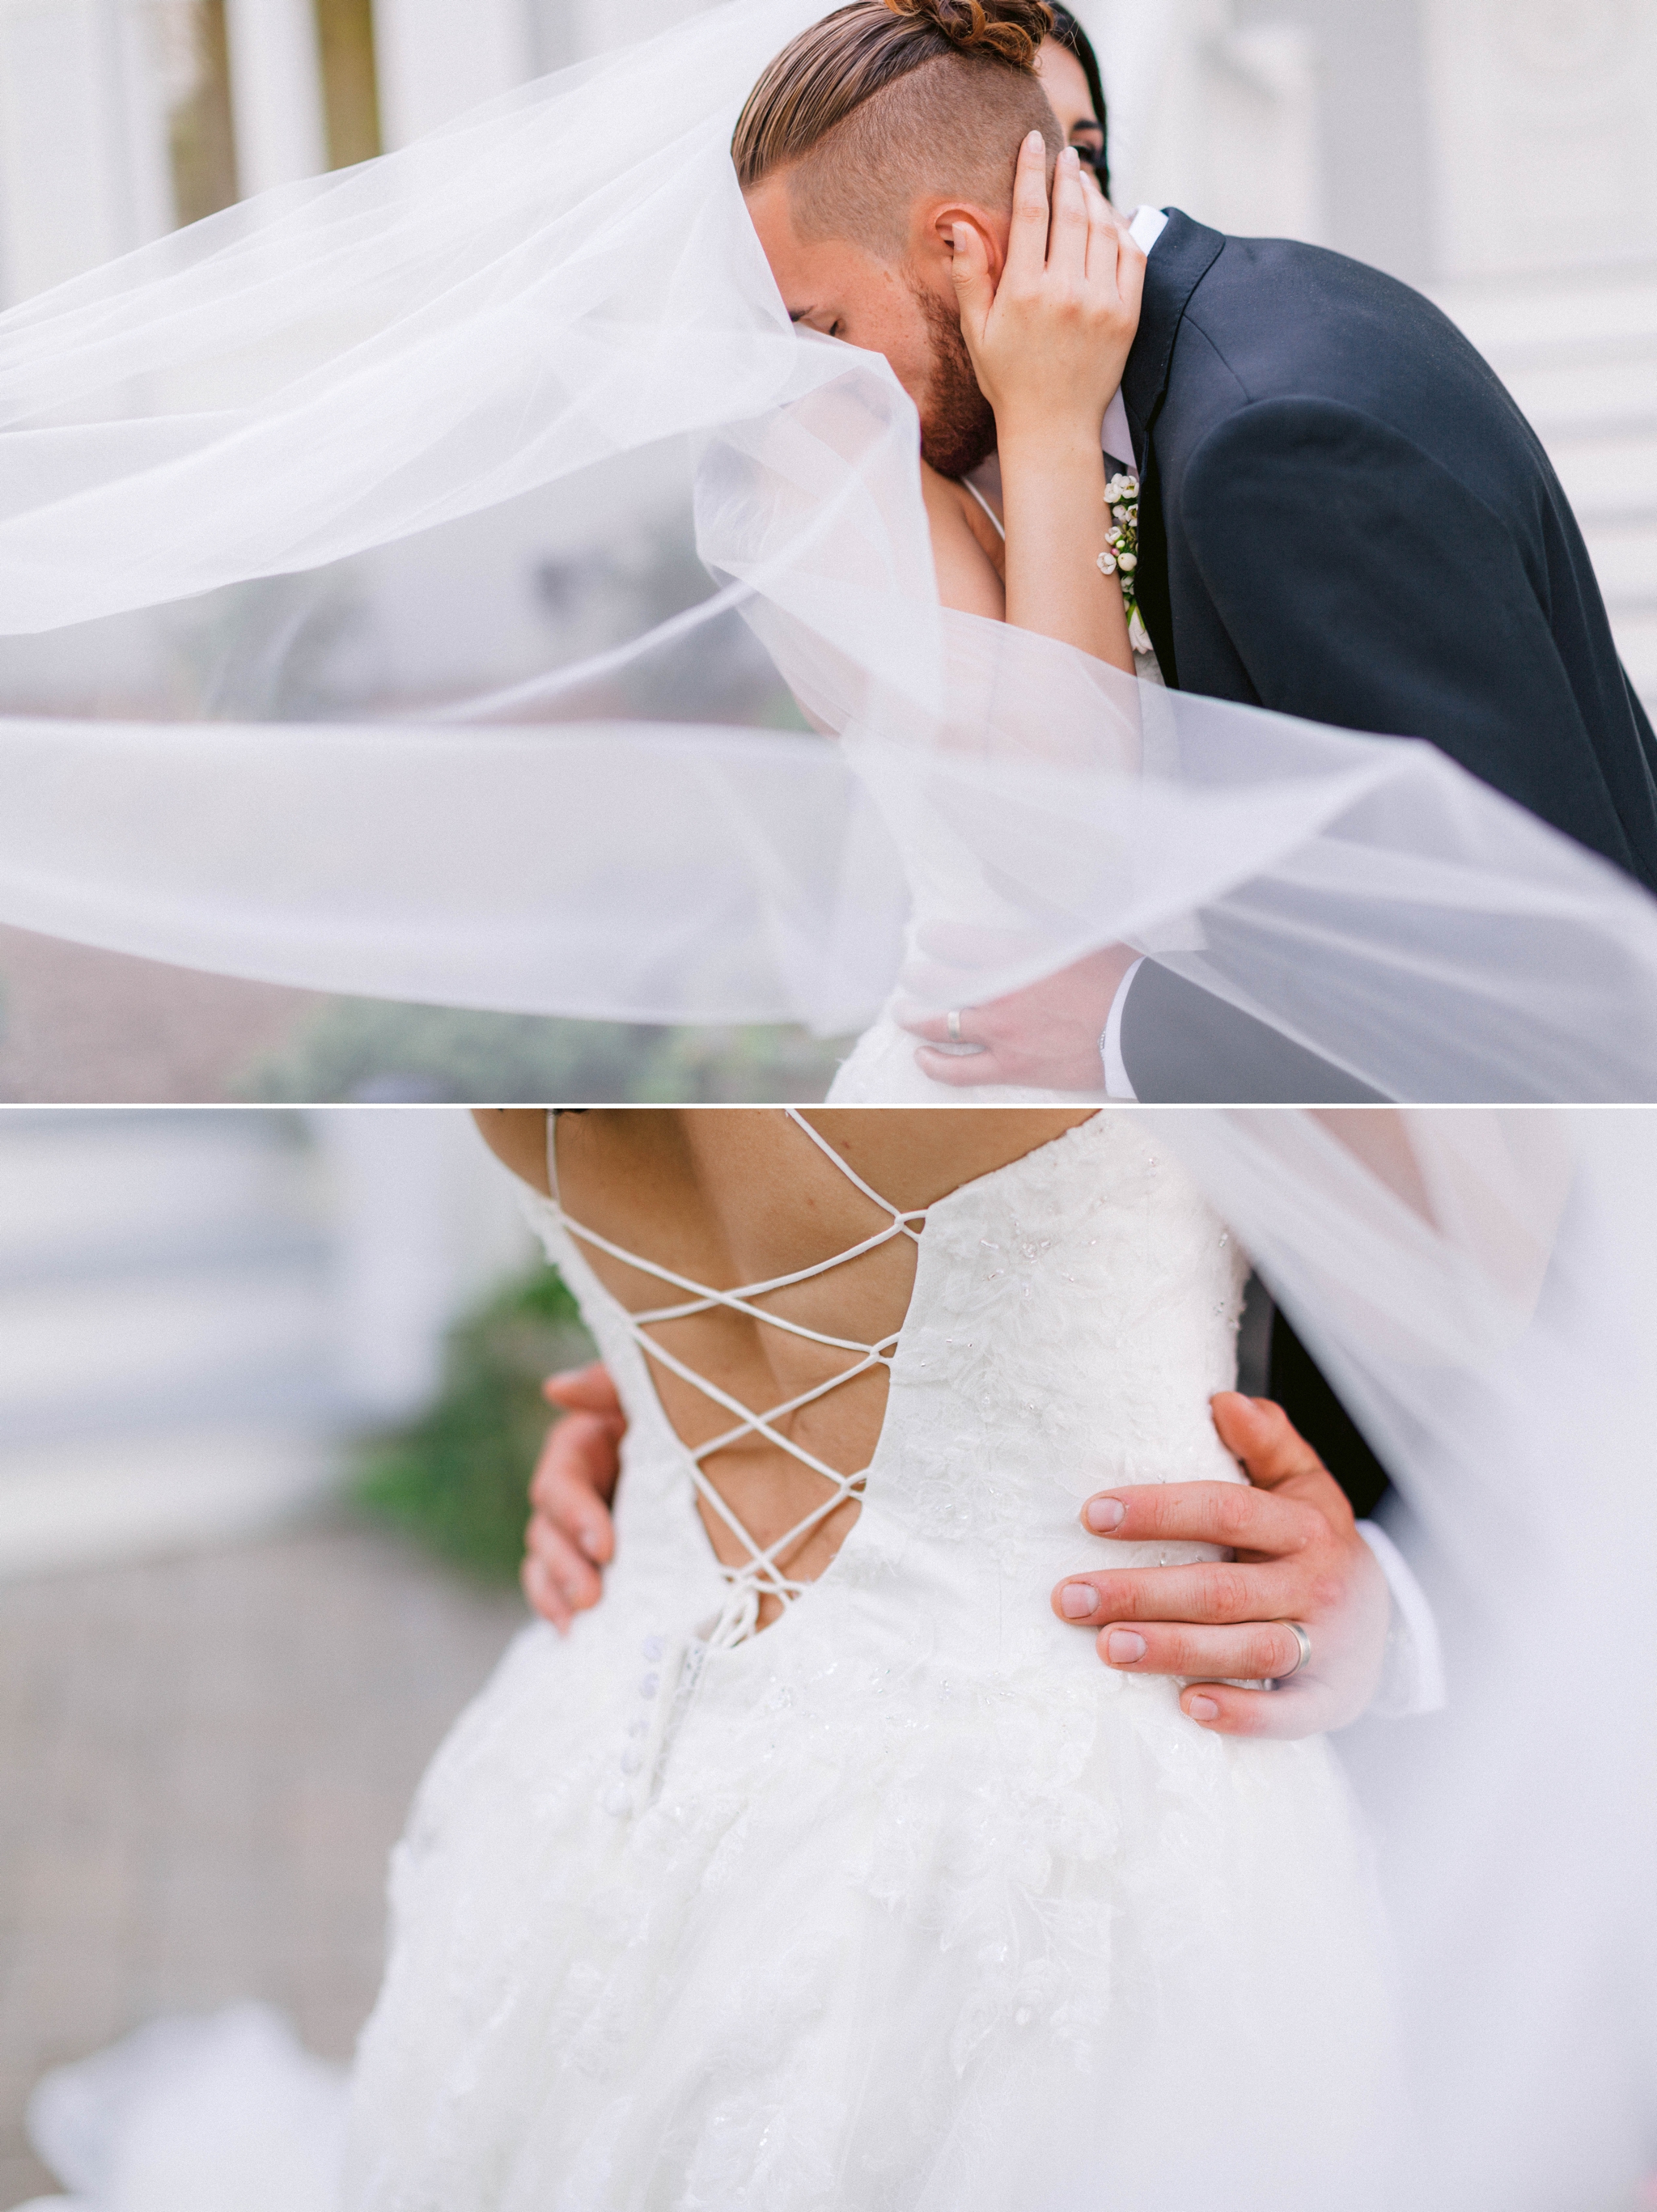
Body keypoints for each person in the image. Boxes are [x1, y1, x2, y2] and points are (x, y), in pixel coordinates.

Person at [731, 0, 1657, 1103]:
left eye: (827, 330)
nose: (824, 386)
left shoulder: (1275, 440)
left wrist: (1130, 1026)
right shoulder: (1153, 384)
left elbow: (1530, 964)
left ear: (959, 244)